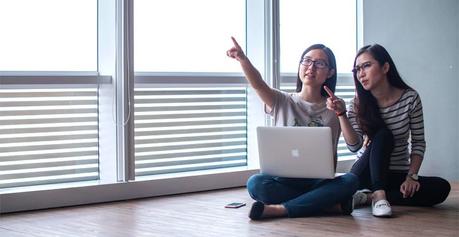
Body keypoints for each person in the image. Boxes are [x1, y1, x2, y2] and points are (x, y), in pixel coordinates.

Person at [226, 37, 359, 220]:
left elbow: (354, 146)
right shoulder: (282, 100)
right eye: (306, 61)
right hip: (283, 179)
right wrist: (242, 59)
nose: (311, 67)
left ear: (330, 72)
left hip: (319, 182)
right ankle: (325, 205)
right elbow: (258, 84)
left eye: (319, 63)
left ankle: (280, 209)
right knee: (255, 183)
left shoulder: (335, 106)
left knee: (351, 180)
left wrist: (341, 114)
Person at [326, 44, 451, 217]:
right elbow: (354, 147)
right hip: (365, 172)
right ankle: (378, 193)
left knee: (441, 188)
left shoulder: (410, 98)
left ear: (385, 67)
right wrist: (341, 114)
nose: (360, 73)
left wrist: (411, 177)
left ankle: (366, 197)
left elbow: (418, 142)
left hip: (396, 174)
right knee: (383, 135)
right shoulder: (357, 103)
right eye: (357, 69)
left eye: (367, 66)